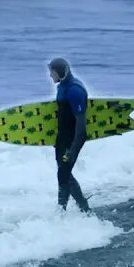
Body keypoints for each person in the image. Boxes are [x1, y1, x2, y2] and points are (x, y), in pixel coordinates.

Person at [48, 57, 91, 212]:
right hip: (62, 138)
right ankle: (65, 211)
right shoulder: (62, 87)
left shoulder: (75, 91)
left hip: (73, 139)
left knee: (63, 174)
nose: (50, 76)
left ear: (60, 72)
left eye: (52, 72)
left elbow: (81, 129)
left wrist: (73, 150)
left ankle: (83, 210)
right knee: (63, 175)